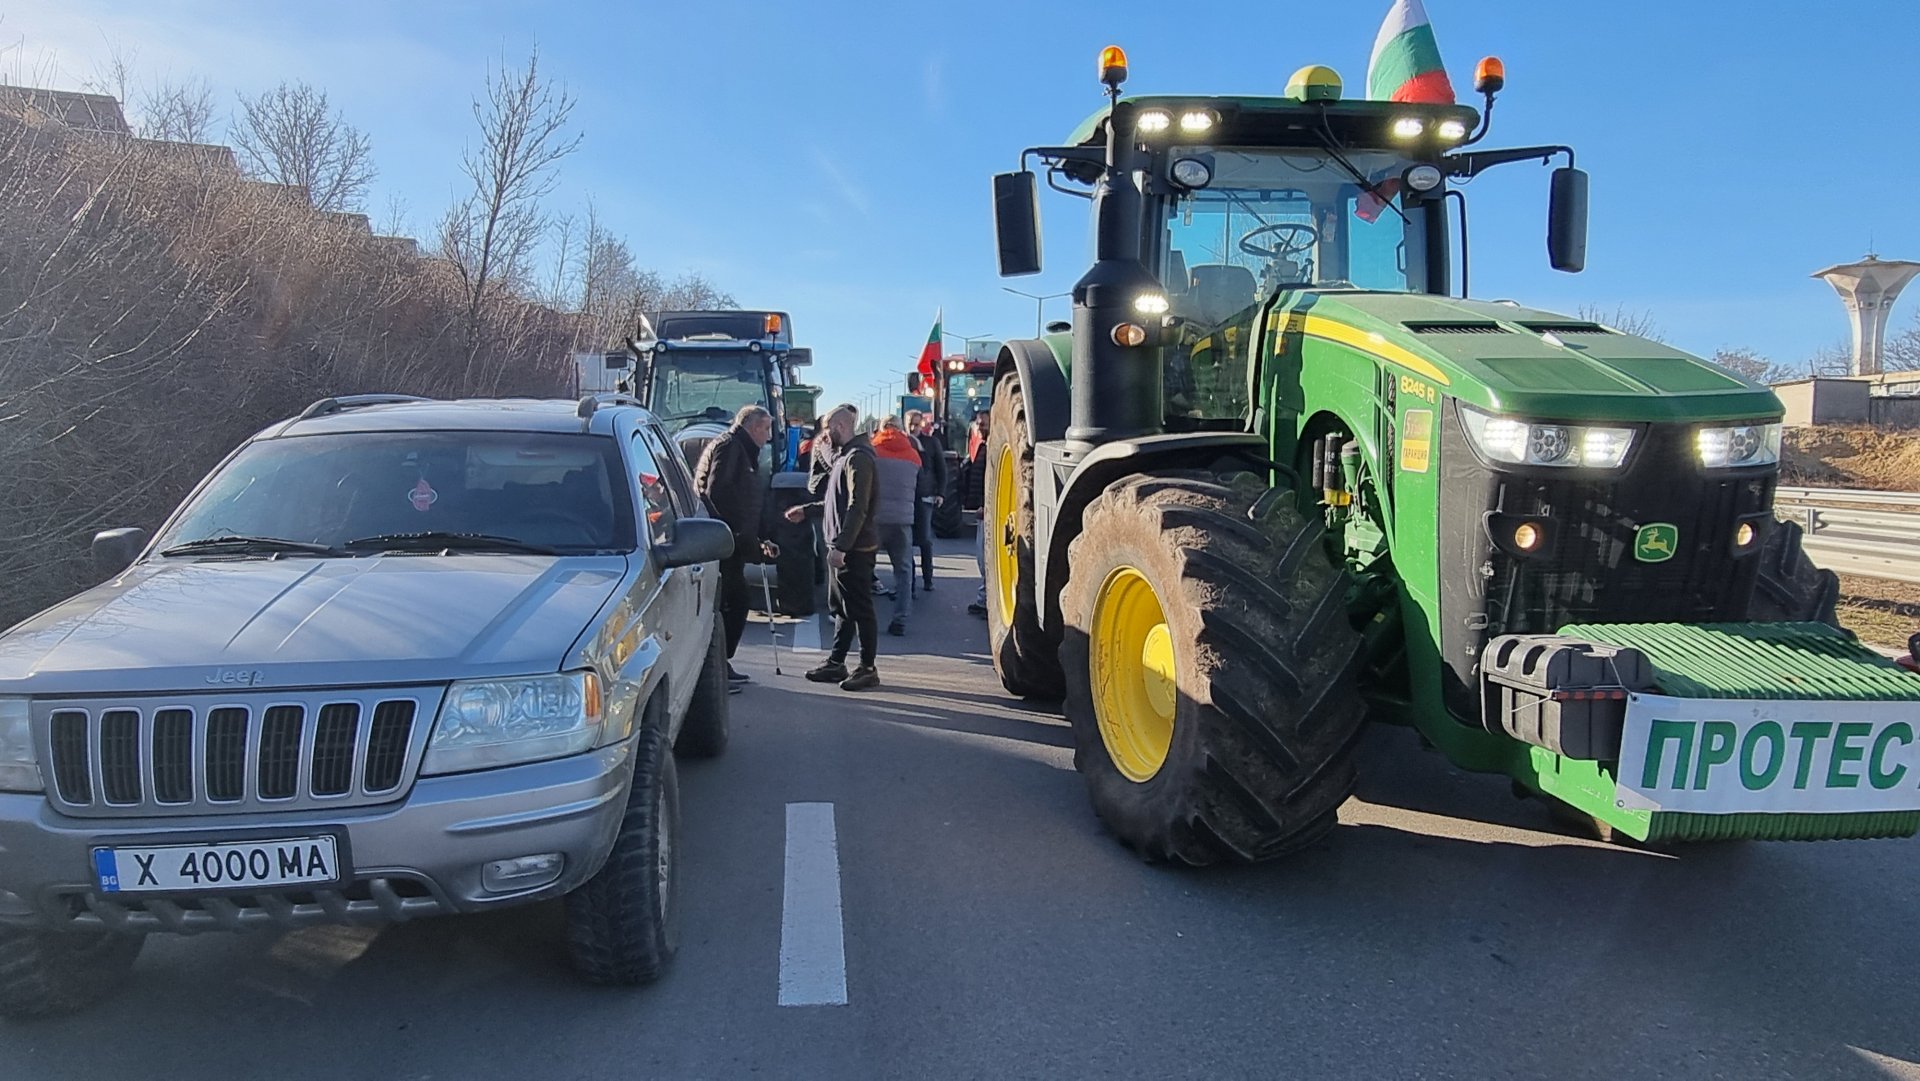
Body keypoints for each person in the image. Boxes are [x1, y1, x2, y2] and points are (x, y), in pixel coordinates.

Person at [784, 405, 881, 691]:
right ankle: (837, 663)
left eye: (827, 429)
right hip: (842, 544)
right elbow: (835, 503)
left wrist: (842, 547)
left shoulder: (858, 458)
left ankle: (868, 667)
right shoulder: (844, 456)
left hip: (855, 549)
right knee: (842, 608)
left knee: (860, 608)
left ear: (839, 426)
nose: (824, 435)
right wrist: (808, 510)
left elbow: (857, 507)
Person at [693, 405, 777, 692]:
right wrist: (736, 534)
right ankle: (715, 668)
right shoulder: (731, 448)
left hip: (731, 539)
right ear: (753, 427)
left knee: (734, 602)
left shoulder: (739, 448)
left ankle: (720, 665)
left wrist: (757, 535)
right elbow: (718, 493)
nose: (768, 436)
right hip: (723, 541)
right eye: (766, 428)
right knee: (733, 603)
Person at [870, 416, 922, 636]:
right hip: (902, 520)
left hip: (874, 519)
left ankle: (861, 619)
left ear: (881, 429)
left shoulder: (872, 451)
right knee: (903, 571)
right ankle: (900, 620)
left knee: (863, 569)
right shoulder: (913, 455)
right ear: (902, 430)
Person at [906, 409, 947, 592]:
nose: (913, 427)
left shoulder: (931, 443)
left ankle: (928, 579)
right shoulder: (902, 443)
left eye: (916, 423)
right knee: (906, 541)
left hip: (925, 495)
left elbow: (941, 469)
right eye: (910, 423)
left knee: (924, 538)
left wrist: (941, 493)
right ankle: (910, 583)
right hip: (905, 496)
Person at [963, 411, 991, 617]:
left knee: (985, 557)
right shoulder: (982, 447)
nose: (980, 427)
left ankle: (987, 600)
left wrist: (984, 505)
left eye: (983, 424)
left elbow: (991, 482)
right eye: (978, 424)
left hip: (988, 512)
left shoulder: (992, 449)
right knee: (981, 558)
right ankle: (985, 598)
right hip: (983, 510)